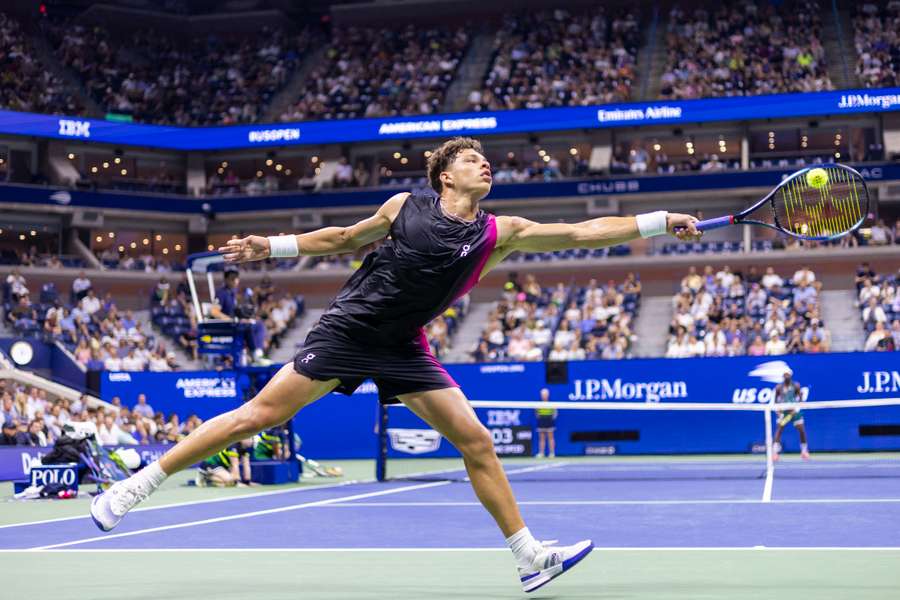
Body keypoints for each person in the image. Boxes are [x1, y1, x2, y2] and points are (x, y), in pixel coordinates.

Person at [90, 137, 700, 592]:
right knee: (257, 417)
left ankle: (527, 556)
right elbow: (342, 239)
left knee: (477, 441)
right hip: (351, 330)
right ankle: (138, 484)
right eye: (470, 158)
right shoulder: (405, 205)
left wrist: (659, 222)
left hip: (406, 344)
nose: (483, 163)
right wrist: (267, 246)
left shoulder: (499, 231)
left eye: (486, 159)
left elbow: (582, 232)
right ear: (444, 173)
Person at [772, 370, 809, 461]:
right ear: (783, 376)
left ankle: (804, 452)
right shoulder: (779, 387)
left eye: (788, 374)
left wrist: (796, 408)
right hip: (784, 412)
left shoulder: (796, 385)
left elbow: (800, 398)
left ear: (791, 375)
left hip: (794, 412)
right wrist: (778, 410)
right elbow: (775, 401)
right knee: (779, 430)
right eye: (785, 375)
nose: (786, 376)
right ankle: (775, 453)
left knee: (802, 430)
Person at [535, 388, 557, 459]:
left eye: (545, 394)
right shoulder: (538, 404)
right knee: (541, 438)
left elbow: (555, 413)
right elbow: (536, 413)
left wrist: (551, 418)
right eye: (543, 394)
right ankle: (541, 453)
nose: (544, 396)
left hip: (549, 421)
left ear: (548, 395)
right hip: (541, 421)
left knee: (551, 438)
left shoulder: (551, 404)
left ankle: (552, 453)